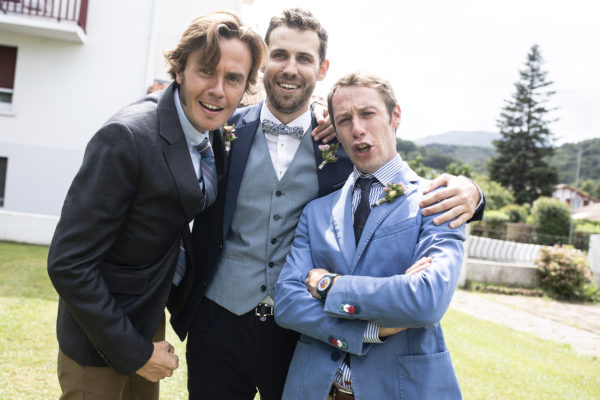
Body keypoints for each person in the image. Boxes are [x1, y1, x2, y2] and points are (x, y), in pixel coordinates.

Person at [172, 8, 483, 400]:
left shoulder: (338, 144)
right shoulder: (223, 127)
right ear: (265, 58)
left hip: (296, 339)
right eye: (281, 55)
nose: (291, 67)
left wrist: (473, 191)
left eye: (304, 58)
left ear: (321, 69)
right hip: (217, 324)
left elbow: (392, 174)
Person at [46, 11, 266, 400]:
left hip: (148, 317)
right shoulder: (127, 137)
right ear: (179, 69)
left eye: (233, 79)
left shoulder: (211, 132)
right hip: (100, 331)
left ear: (246, 86)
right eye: (206, 72)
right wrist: (134, 352)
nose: (218, 90)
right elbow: (68, 263)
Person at [274, 72, 466, 400]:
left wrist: (327, 286)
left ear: (395, 116)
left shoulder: (438, 200)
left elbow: (426, 300)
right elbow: (288, 304)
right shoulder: (316, 211)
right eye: (345, 120)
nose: (357, 129)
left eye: (368, 114)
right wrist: (369, 330)